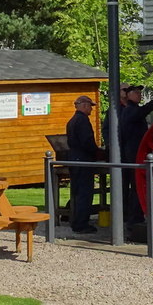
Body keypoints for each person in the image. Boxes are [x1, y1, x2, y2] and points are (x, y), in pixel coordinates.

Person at [119, 85, 153, 225]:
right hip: (134, 152)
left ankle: (137, 216)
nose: (139, 95)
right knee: (137, 186)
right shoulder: (129, 111)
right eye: (136, 92)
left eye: (139, 92)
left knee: (139, 186)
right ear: (128, 95)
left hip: (138, 151)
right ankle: (134, 218)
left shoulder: (132, 110)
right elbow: (142, 112)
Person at [66, 95, 101, 233]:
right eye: (90, 106)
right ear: (85, 105)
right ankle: (81, 223)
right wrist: (97, 152)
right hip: (84, 160)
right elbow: (87, 142)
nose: (91, 109)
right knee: (85, 193)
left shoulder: (72, 121)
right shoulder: (83, 121)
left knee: (77, 192)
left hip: (74, 159)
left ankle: (76, 221)